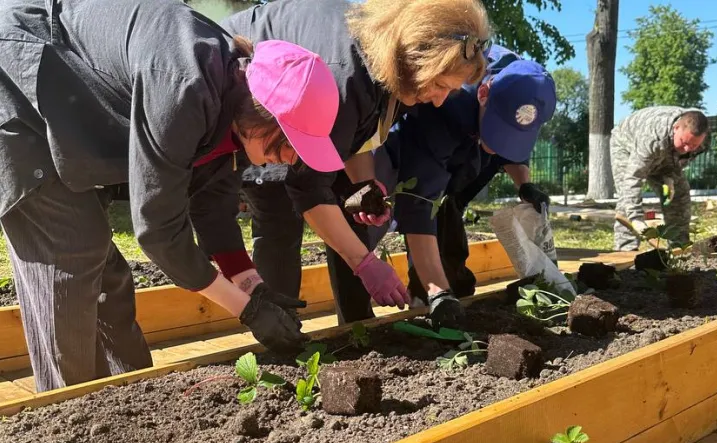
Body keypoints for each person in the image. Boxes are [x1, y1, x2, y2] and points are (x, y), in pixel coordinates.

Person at [0, 0, 344, 391]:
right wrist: (246, 311)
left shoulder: (231, 105)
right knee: (72, 258)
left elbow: (212, 208)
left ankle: (134, 401)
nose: (289, 159)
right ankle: (68, 420)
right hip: (17, 80)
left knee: (108, 279)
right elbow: (159, 231)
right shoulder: (186, 84)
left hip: (66, 107)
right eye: (288, 144)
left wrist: (254, 288)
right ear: (262, 114)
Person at [222, 0, 492, 324]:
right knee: (280, 215)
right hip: (256, 114)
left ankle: (356, 327)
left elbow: (357, 134)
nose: (439, 100)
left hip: (313, 114)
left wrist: (361, 185)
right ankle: (280, 332)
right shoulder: (345, 75)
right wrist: (365, 264)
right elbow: (308, 187)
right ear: (413, 57)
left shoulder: (393, 72)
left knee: (351, 209)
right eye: (438, 85)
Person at [378, 45, 557, 326]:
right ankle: (419, 300)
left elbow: (513, 148)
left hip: (463, 156)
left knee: (450, 218)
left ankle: (451, 290)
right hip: (399, 160)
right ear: (483, 94)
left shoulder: (522, 83)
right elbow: (420, 204)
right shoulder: (448, 100)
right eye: (498, 131)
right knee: (422, 220)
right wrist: (438, 292)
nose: (498, 145)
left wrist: (525, 186)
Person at [610, 107, 710, 251]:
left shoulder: (703, 138)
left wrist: (668, 177)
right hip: (626, 145)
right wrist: (636, 219)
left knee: (679, 195)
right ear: (676, 128)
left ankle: (679, 249)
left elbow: (681, 157)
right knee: (627, 200)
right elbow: (633, 178)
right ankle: (626, 252)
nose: (688, 148)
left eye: (694, 145)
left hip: (666, 153)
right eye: (684, 142)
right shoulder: (652, 137)